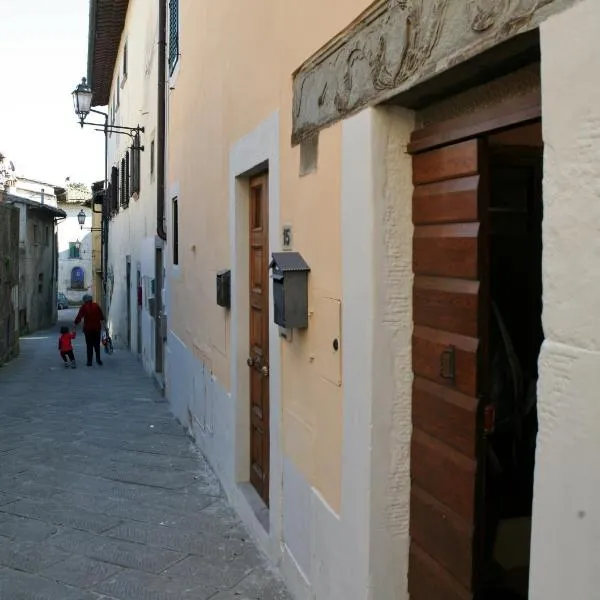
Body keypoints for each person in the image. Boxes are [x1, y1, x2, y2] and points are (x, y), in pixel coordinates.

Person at [74, 294, 106, 367]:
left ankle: (89, 362)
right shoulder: (96, 306)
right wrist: (105, 327)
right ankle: (98, 360)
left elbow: (79, 316)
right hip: (97, 329)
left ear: (85, 300)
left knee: (89, 345)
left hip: (88, 329)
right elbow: (101, 317)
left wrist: (75, 324)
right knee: (97, 345)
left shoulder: (84, 307)